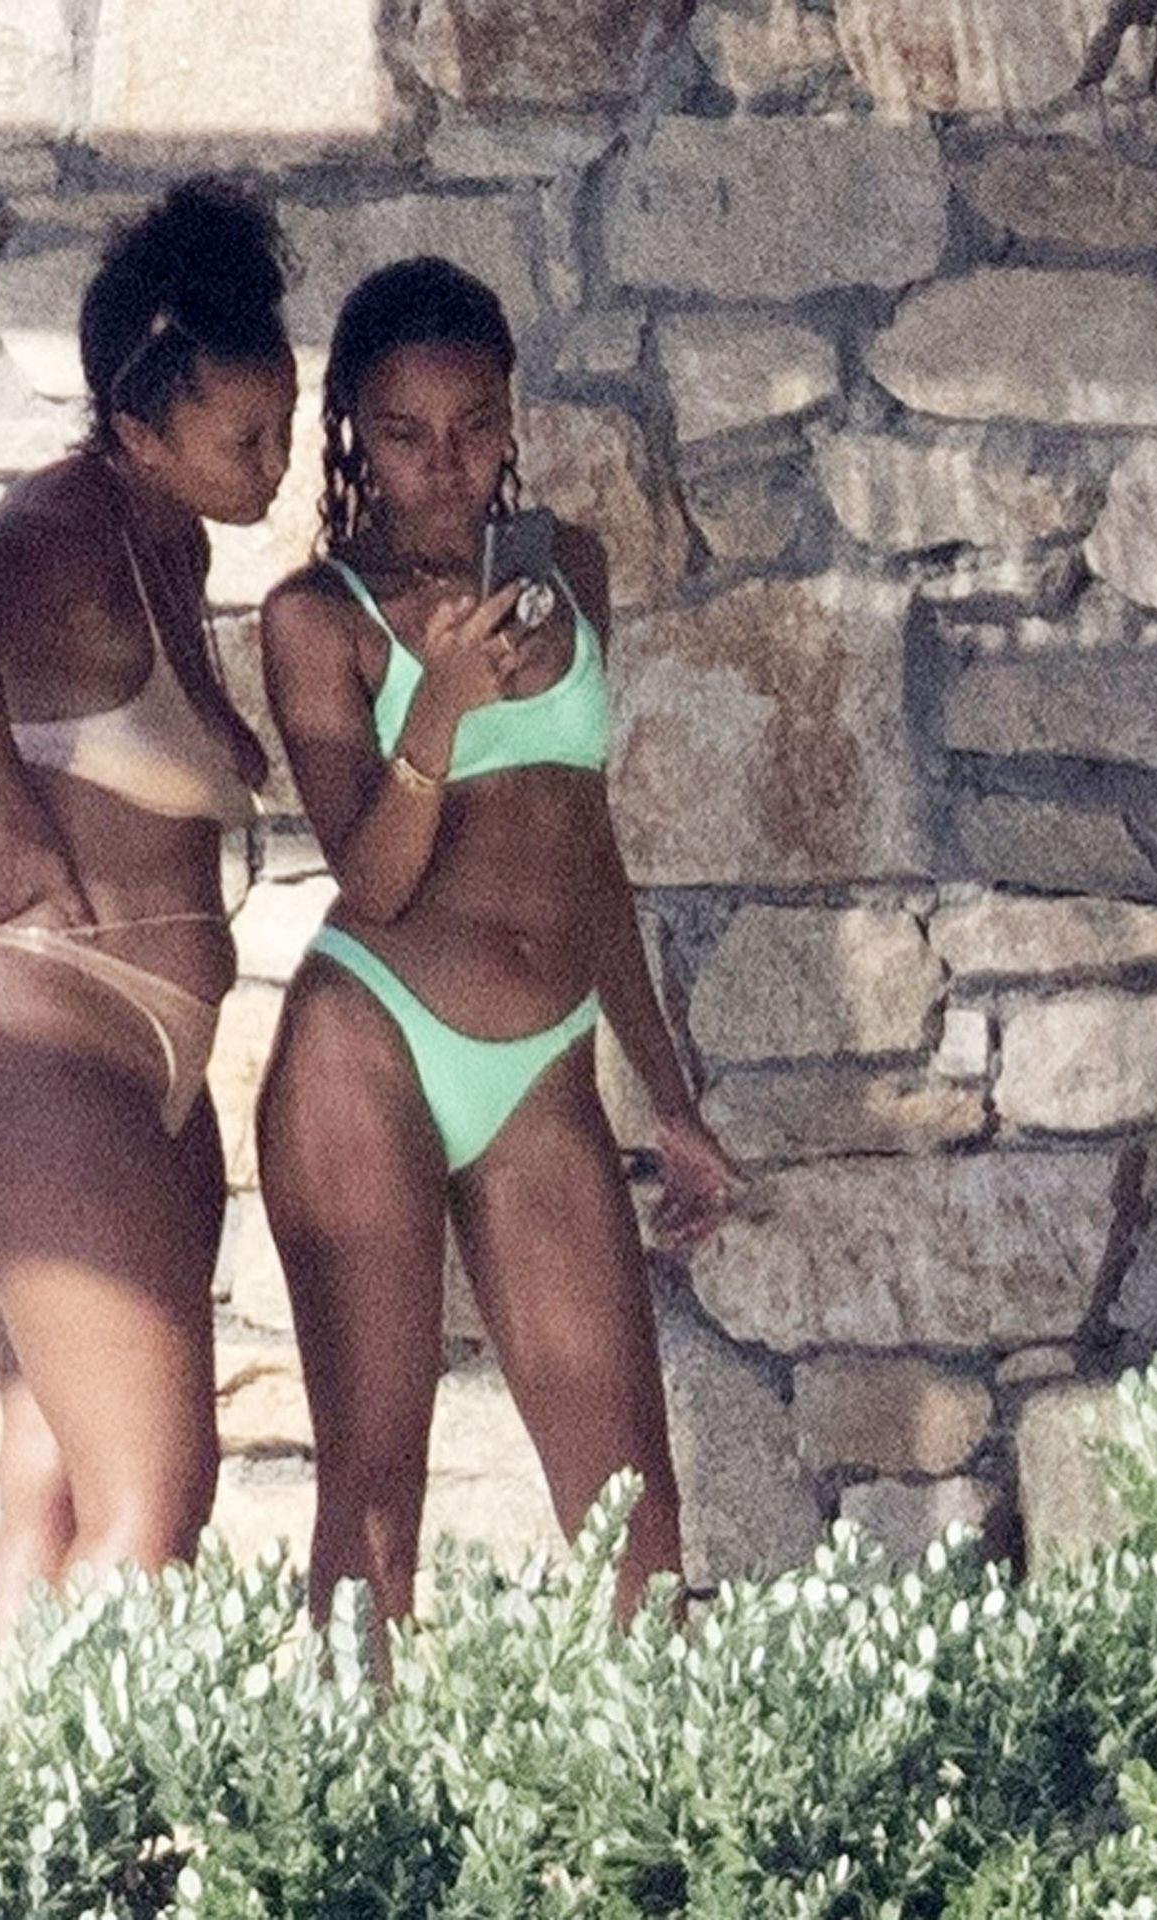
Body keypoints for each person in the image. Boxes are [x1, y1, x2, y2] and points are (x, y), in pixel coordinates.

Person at [255, 257, 738, 1642]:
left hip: (542, 1072)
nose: (446, 463)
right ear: (356, 432)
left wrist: (672, 1101)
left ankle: (663, 1783)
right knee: (374, 1499)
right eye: (407, 434)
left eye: (474, 425)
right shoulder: (318, 618)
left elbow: (589, 854)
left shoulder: (567, 570)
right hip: (371, 1041)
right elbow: (375, 876)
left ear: (512, 417)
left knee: (636, 1522)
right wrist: (441, 708)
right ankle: (344, 1778)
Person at [0, 177, 296, 1690]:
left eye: (282, 426)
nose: (274, 466)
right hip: (34, 1050)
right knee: (155, 1504)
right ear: (137, 430)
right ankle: (83, 1816)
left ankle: (6, 1811)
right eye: (243, 440)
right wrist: (5, 816)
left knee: (56, 1497)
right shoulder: (63, 522)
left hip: (130, 1073)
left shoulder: (168, 543)